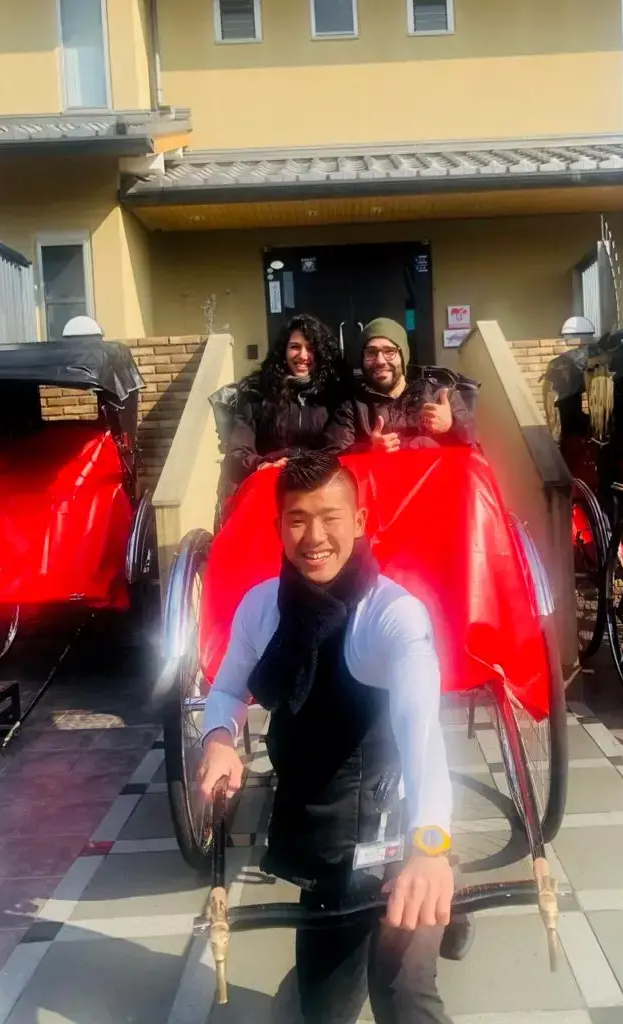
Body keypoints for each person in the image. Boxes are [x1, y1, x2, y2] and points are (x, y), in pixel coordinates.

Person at [198, 451, 456, 1024]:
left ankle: (443, 898)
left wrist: (430, 848)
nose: (314, 537)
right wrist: (218, 738)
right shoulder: (261, 607)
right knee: (323, 1011)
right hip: (327, 837)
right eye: (298, 520)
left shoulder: (392, 614)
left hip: (401, 829)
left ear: (359, 521)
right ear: (278, 527)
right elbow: (227, 690)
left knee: (404, 997)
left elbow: (422, 732)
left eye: (331, 518)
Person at [212, 314, 351, 491]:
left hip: (318, 487)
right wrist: (261, 464)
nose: (303, 355)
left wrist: (303, 468)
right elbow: (237, 453)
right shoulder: (256, 392)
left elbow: (338, 448)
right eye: (295, 347)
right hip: (269, 485)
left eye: (311, 348)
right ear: (283, 351)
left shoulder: (336, 394)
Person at [324, 318, 476, 454]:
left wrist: (451, 426)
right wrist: (368, 450)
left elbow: (473, 449)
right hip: (377, 478)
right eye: (371, 352)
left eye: (389, 351)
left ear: (403, 356)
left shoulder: (441, 396)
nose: (380, 361)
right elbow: (333, 455)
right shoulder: (352, 404)